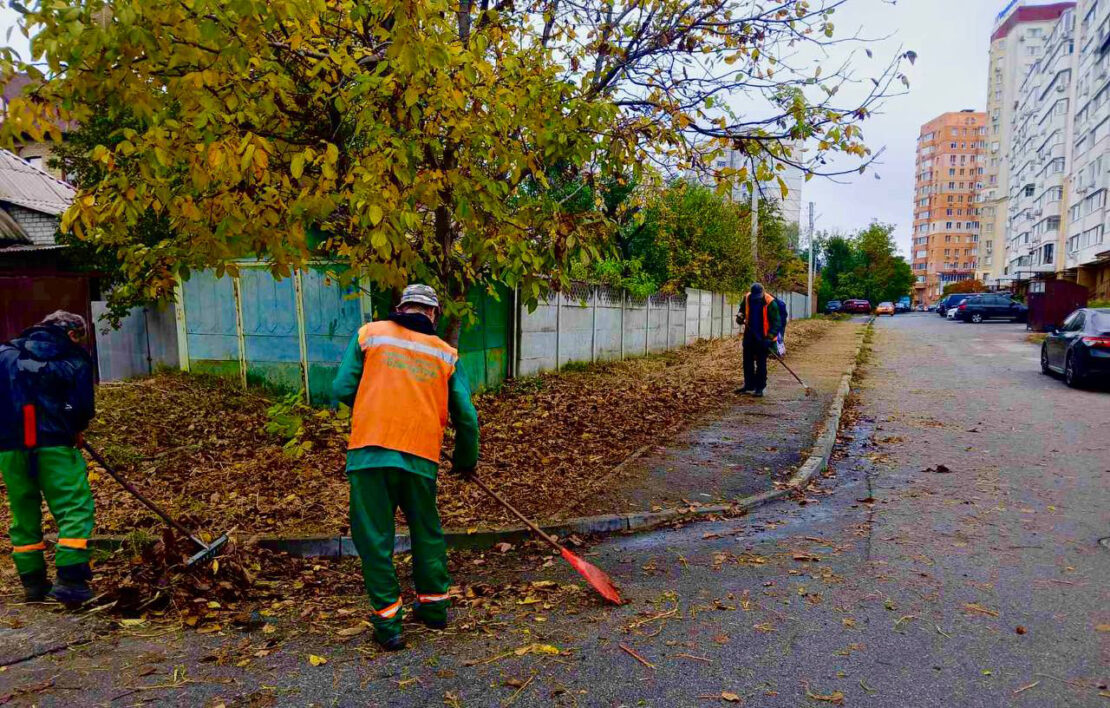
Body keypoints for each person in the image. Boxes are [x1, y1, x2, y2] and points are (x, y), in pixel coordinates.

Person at [332, 284, 479, 651]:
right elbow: (467, 419)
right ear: (433, 313)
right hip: (420, 457)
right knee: (426, 532)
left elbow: (342, 387)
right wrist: (464, 461)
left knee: (374, 538)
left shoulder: (370, 335)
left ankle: (388, 624)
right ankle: (434, 608)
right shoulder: (445, 354)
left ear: (401, 307)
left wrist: (373, 406)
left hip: (370, 454)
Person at [0, 310, 96, 606]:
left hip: (10, 447)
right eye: (80, 337)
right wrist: (76, 428)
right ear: (72, 333)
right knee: (74, 507)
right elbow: (81, 407)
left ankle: (33, 583)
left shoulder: (4, 354)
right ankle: (71, 580)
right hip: (54, 444)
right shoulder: (75, 358)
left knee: (23, 511)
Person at [734, 283, 781, 397]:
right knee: (747, 362)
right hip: (749, 335)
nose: (756, 299)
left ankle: (760, 388)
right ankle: (749, 385)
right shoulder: (747, 298)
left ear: (763, 292)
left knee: (761, 363)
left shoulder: (771, 302)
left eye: (758, 296)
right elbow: (742, 310)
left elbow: (777, 322)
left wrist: (769, 338)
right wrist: (740, 317)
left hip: (763, 337)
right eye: (755, 296)